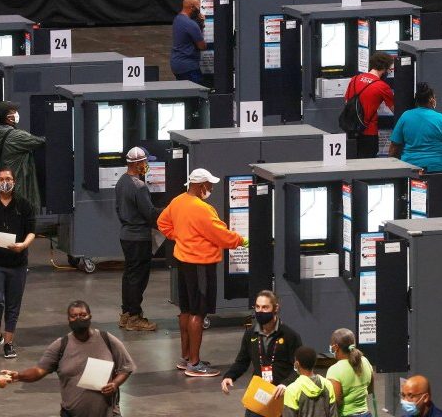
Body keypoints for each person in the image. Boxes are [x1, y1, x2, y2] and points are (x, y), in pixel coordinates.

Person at [158, 168, 247, 377]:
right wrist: (241, 241)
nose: (211, 188)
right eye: (209, 185)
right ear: (200, 186)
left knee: (186, 309)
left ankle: (186, 357)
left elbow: (162, 222)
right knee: (198, 312)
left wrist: (179, 237)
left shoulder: (178, 201)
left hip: (183, 261)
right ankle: (195, 364)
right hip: (201, 264)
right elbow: (220, 234)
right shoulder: (203, 209)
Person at [1, 300, 136, 417]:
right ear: (68, 319)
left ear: (90, 316)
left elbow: (126, 367)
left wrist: (115, 383)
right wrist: (19, 376)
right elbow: (39, 371)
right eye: (74, 316)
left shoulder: (107, 339)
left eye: (83, 315)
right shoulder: (61, 345)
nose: (79, 319)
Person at [0, 166, 36, 359]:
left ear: (14, 181)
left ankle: (9, 342)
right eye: (1, 179)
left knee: (13, 304)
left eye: (8, 179)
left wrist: (23, 245)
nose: (5, 182)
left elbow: (31, 231)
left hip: (18, 263)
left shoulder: (24, 205)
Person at [389, 83, 442, 209]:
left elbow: (394, 146)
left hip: (411, 168)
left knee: (414, 207)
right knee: (436, 206)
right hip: (438, 169)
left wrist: (393, 166)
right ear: (431, 100)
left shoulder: (405, 117)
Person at [221, 290, 302, 416]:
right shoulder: (250, 334)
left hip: (282, 395)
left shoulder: (290, 336)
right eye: (257, 307)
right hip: (258, 394)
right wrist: (229, 376)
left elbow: (299, 368)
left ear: (275, 308)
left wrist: (286, 384)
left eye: (265, 307)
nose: (260, 311)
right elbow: (242, 361)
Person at [115, 146, 161, 331]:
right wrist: (169, 212)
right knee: (138, 278)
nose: (147, 164)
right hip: (139, 238)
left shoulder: (121, 182)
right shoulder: (139, 186)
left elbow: (118, 208)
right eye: (145, 161)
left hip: (126, 235)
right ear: (137, 163)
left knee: (129, 276)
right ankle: (135, 317)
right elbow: (150, 213)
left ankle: (126, 313)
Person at [0, 100, 45, 214]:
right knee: (16, 211)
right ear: (7, 117)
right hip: (15, 181)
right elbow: (39, 141)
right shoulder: (15, 136)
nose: (16, 114)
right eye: (13, 111)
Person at [343, 52, 395, 158]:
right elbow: (395, 109)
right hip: (369, 132)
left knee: (353, 161)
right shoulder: (382, 86)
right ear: (384, 68)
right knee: (368, 163)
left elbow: (347, 101)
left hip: (351, 128)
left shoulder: (354, 79)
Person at [326, 328, 374, 417]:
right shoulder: (365, 361)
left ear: (336, 347)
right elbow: (370, 389)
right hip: (366, 414)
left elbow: (336, 402)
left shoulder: (334, 370)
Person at [283, 346, 338, 417]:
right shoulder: (327, 384)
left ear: (297, 364)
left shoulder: (291, 390)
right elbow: (333, 414)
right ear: (315, 362)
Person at [170, 0, 206, 83]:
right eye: (198, 7)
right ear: (192, 7)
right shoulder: (191, 25)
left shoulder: (178, 18)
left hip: (176, 63)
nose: (199, 9)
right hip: (188, 67)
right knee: (198, 90)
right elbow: (202, 46)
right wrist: (202, 24)